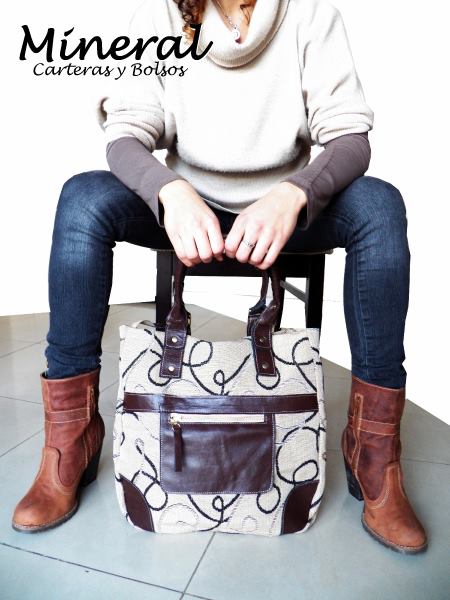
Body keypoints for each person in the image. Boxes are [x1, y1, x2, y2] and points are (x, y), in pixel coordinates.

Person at [11, 0, 427, 554]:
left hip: (282, 212)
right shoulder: (161, 15)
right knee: (81, 199)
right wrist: (170, 191)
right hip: (189, 210)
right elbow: (125, 135)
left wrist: (295, 193)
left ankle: (374, 451)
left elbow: (351, 137)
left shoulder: (310, 14)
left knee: (381, 206)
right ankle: (70, 439)